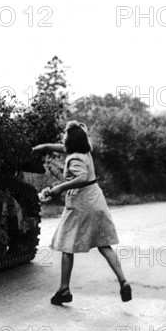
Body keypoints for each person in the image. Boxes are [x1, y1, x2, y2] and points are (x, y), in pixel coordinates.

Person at [32, 121, 132, 305]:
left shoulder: (74, 158)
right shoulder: (85, 151)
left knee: (66, 244)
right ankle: (123, 281)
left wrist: (59, 188)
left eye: (65, 135)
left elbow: (82, 177)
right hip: (96, 200)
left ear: (71, 140)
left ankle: (64, 289)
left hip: (81, 203)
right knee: (104, 244)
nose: (63, 137)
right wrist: (43, 147)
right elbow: (65, 148)